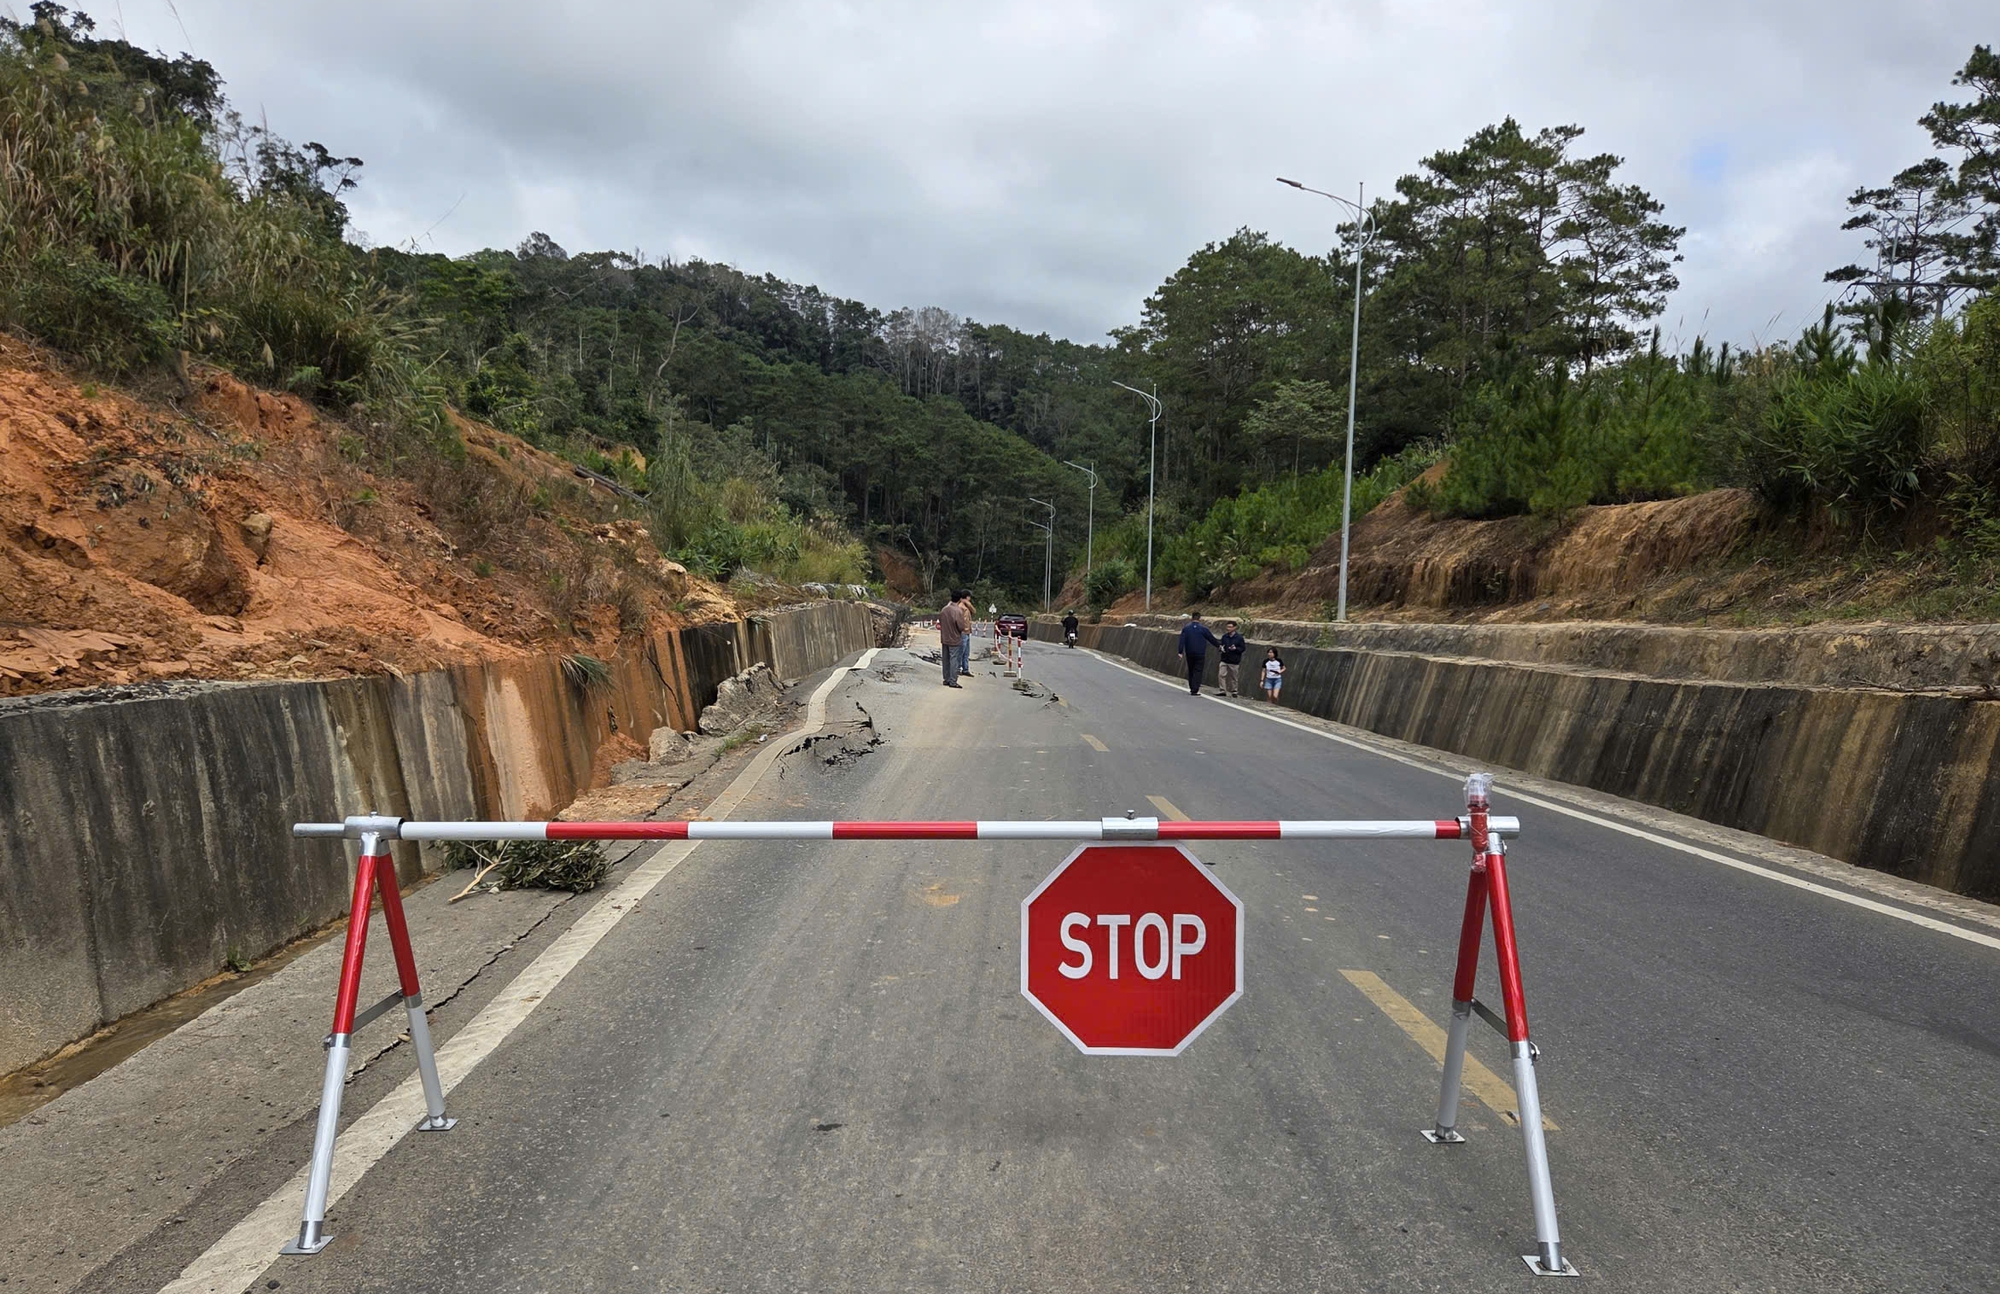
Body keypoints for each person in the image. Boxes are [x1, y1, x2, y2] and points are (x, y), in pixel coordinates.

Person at [1176, 611, 1221, 696]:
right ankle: (1195, 689)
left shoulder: (1186, 628)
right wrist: (1219, 645)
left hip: (1189, 652)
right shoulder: (1203, 629)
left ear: (1192, 618)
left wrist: (1180, 651)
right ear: (1199, 618)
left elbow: (1182, 640)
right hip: (1200, 653)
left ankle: (1192, 686)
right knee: (1198, 670)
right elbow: (1211, 638)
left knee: (1191, 669)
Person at [938, 591, 968, 688]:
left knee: (945, 659)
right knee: (954, 659)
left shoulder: (944, 610)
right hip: (954, 638)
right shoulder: (958, 611)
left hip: (945, 637)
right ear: (959, 599)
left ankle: (946, 679)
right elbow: (961, 626)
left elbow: (941, 623)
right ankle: (953, 681)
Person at [1216, 619, 1247, 697]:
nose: (1228, 628)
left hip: (1234, 660)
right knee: (1221, 675)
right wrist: (1221, 648)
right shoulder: (1224, 637)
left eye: (1230, 627)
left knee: (1233, 677)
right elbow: (1221, 645)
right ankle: (1222, 690)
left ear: (1234, 628)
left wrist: (1235, 649)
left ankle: (1234, 691)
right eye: (1227, 627)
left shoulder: (1239, 638)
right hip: (1224, 658)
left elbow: (1243, 648)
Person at [955, 591, 975, 678]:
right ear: (966, 597)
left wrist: (968, 604)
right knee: (961, 651)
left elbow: (974, 611)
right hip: (963, 631)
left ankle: (965, 669)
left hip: (967, 631)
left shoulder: (966, 607)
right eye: (969, 598)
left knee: (966, 652)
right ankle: (958, 668)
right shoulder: (960, 607)